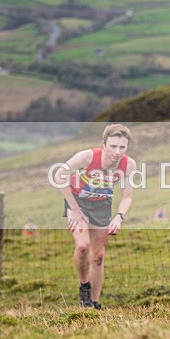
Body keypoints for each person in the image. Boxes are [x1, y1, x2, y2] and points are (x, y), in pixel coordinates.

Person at [54, 124, 136, 310]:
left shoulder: (128, 165)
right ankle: (84, 286)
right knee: (83, 246)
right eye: (113, 146)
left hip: (102, 205)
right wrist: (74, 209)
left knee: (98, 256)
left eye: (122, 147)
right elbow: (59, 176)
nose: (117, 152)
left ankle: (94, 303)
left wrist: (119, 217)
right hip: (78, 202)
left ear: (127, 146)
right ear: (104, 144)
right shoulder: (87, 157)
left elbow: (127, 196)